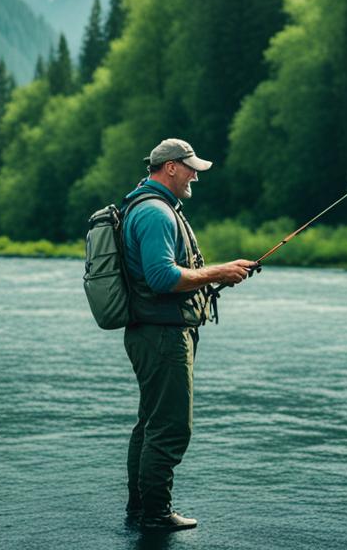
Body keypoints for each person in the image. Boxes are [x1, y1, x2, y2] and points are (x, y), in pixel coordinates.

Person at [122, 138, 256, 532]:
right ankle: (156, 514)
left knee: (150, 423)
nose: (196, 175)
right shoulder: (156, 214)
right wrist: (217, 272)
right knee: (170, 426)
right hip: (162, 336)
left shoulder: (147, 207)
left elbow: (164, 278)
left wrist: (216, 278)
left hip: (153, 331)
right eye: (191, 167)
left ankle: (141, 507)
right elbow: (162, 278)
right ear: (170, 168)